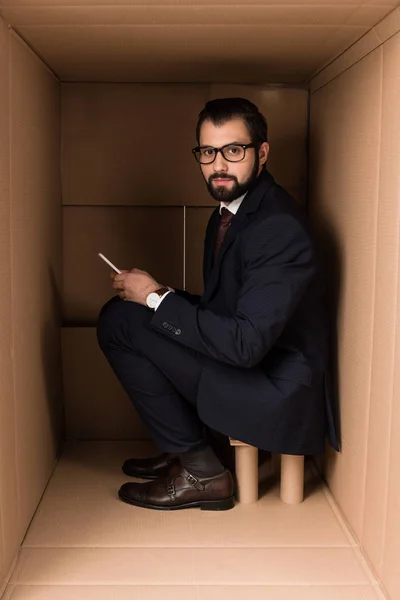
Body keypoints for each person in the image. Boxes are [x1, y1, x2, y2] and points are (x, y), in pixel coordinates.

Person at [97, 97, 339, 512]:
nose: (219, 165)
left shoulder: (278, 227)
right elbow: (227, 309)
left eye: (234, 150)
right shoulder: (229, 210)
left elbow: (244, 344)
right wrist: (155, 295)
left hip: (274, 391)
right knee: (129, 312)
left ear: (261, 153)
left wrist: (157, 298)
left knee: (121, 322)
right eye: (208, 152)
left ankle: (201, 470)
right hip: (252, 367)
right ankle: (188, 450)